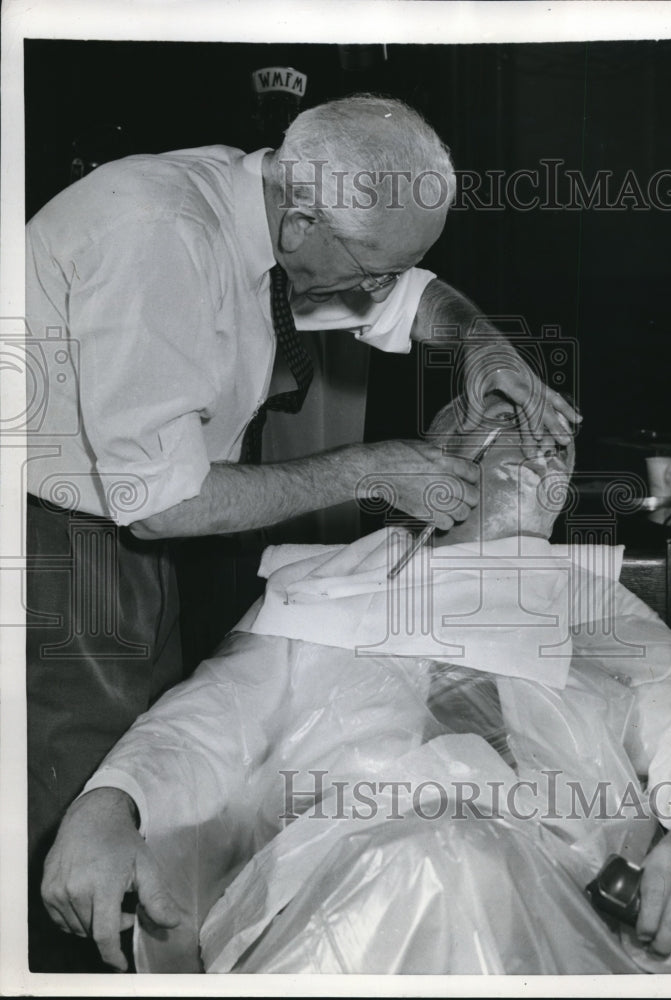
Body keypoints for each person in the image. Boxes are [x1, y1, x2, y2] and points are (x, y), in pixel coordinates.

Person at [25, 94, 580, 969]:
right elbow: (161, 501)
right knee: (74, 840)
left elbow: (413, 295)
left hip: (150, 535)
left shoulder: (285, 216)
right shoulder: (161, 237)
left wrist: (483, 348)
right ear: (304, 217)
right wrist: (369, 469)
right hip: (58, 551)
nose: (369, 295)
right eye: (366, 269)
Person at [41, 400, 671, 975]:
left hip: (570, 894)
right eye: (502, 421)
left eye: (554, 440)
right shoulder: (319, 590)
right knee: (445, 863)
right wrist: (114, 802)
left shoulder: (592, 602)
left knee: (465, 862)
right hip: (338, 886)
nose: (536, 443)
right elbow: (208, 718)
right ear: (433, 462)